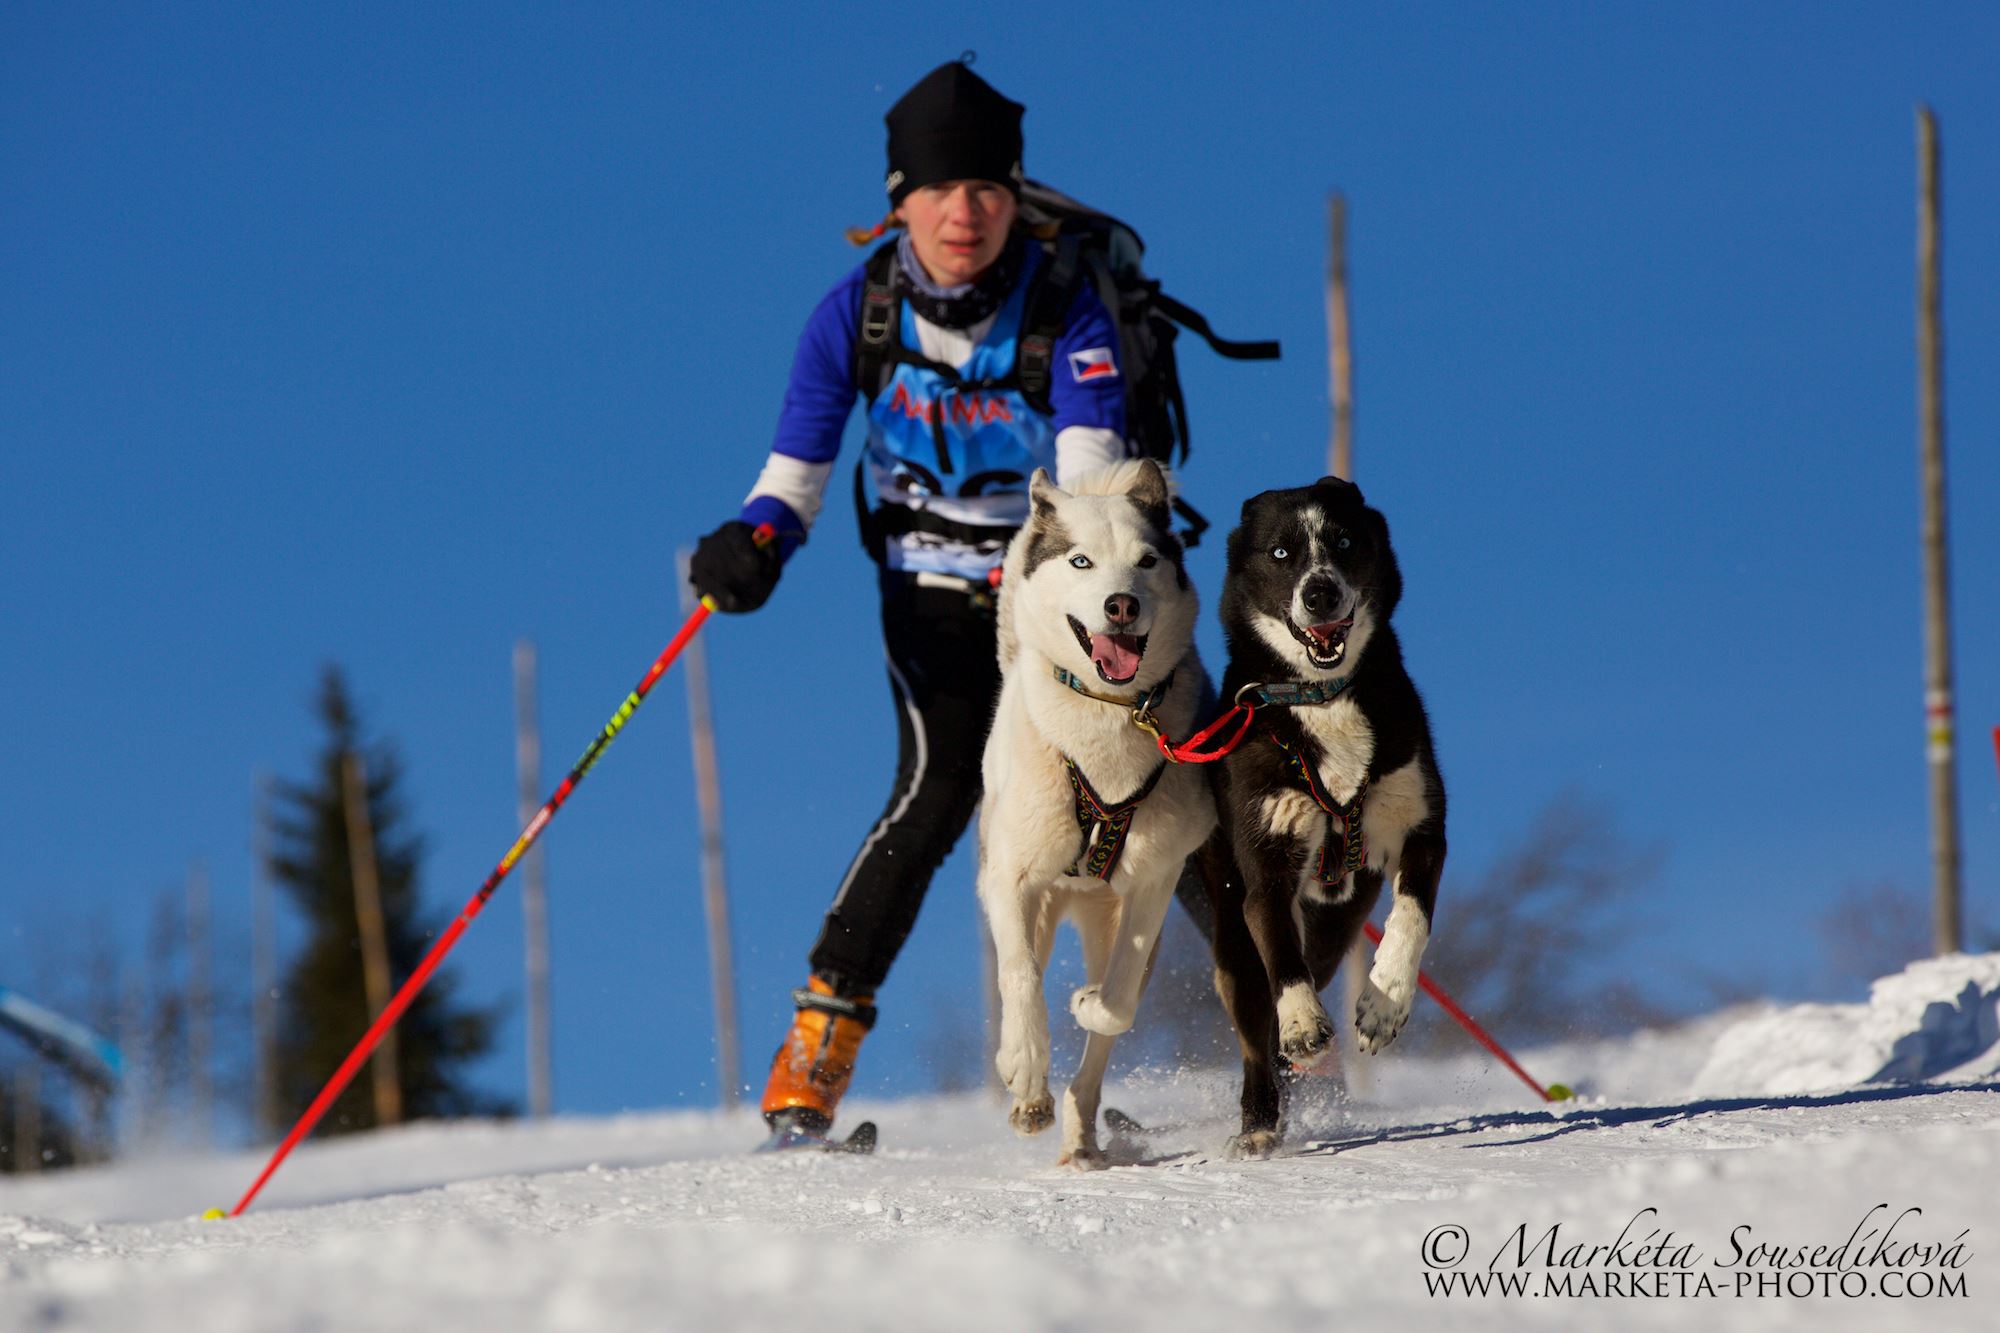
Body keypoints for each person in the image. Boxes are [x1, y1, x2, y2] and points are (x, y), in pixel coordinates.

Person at [688, 59, 1131, 1140]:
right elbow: (792, 475)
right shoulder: (855, 316)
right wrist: (750, 544)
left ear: (1013, 197)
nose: (964, 213)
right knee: (939, 790)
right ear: (899, 202)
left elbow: (1090, 478)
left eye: (985, 189)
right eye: (939, 192)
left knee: (1147, 805)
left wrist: (1062, 606)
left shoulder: (1068, 309)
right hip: (928, 589)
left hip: (1054, 605)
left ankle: (1263, 1035)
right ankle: (812, 1061)